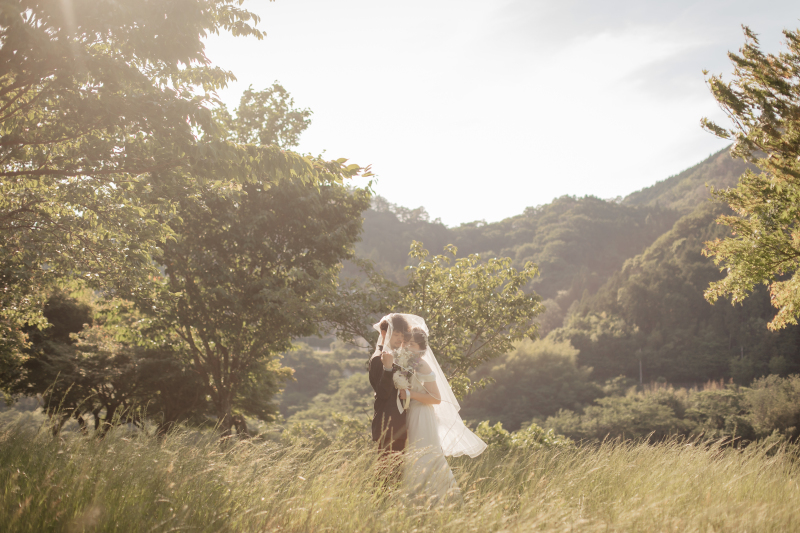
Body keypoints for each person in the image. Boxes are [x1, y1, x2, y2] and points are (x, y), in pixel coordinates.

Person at [381, 314, 487, 504]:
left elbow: (436, 398)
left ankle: (433, 500)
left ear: (422, 348)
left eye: (413, 344)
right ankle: (414, 500)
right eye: (407, 343)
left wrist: (410, 394)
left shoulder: (421, 365)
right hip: (410, 413)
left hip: (422, 414)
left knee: (424, 456)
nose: (408, 347)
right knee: (411, 456)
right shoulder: (406, 363)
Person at [368, 313, 410, 452]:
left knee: (398, 472)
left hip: (400, 425)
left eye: (402, 335)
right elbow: (383, 393)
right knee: (388, 472)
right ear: (385, 333)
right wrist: (387, 368)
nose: (400, 338)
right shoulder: (378, 358)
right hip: (388, 426)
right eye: (397, 334)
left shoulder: (398, 356)